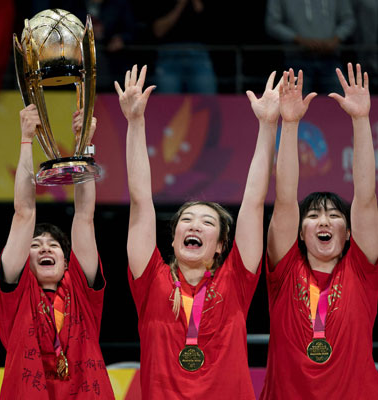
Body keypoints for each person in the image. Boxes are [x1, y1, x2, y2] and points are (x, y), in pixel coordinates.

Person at [119, 65, 276, 397]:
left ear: (220, 246)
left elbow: (253, 203)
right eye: (186, 220)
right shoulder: (150, 281)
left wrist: (267, 126)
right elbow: (140, 200)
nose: (194, 225)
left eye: (207, 222)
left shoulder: (236, 279)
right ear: (174, 238)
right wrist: (135, 123)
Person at [261, 64, 378, 398]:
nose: (324, 221)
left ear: (350, 233)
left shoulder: (362, 269)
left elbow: (366, 198)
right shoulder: (283, 272)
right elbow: (284, 199)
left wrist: (360, 120)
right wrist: (291, 123)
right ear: (299, 233)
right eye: (312, 215)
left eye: (333, 215)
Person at [0, 105, 114, 399]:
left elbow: (85, 214)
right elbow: (23, 213)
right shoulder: (15, 295)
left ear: (65, 260)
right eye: (35, 245)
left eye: (53, 245)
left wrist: (83, 142)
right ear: (25, 259)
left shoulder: (82, 292)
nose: (45, 247)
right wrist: (25, 139)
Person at [266, 0, 355, 94]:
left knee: (341, 102)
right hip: (296, 59)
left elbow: (349, 20)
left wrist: (336, 39)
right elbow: (272, 23)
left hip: (331, 59)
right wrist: (298, 39)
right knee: (294, 103)